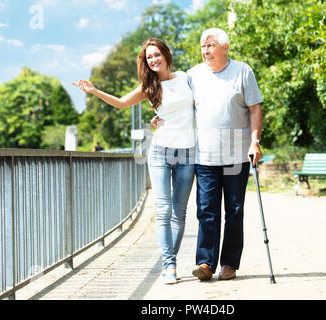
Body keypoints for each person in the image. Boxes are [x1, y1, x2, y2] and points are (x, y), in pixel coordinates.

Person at [72, 38, 195, 285]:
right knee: (163, 210)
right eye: (148, 57)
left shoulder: (186, 78)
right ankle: (169, 265)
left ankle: (170, 259)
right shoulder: (149, 87)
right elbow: (119, 103)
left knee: (179, 213)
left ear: (166, 54)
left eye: (156, 54)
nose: (153, 60)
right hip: (160, 151)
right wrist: (94, 91)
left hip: (188, 152)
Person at [156, 28, 263, 281]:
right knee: (206, 211)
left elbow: (255, 108)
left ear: (225, 48)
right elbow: (178, 104)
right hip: (205, 156)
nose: (206, 50)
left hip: (237, 155)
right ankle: (205, 263)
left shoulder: (243, 71)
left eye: (211, 45)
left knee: (235, 210)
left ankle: (229, 264)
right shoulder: (193, 75)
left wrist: (255, 142)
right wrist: (160, 117)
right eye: (203, 46)